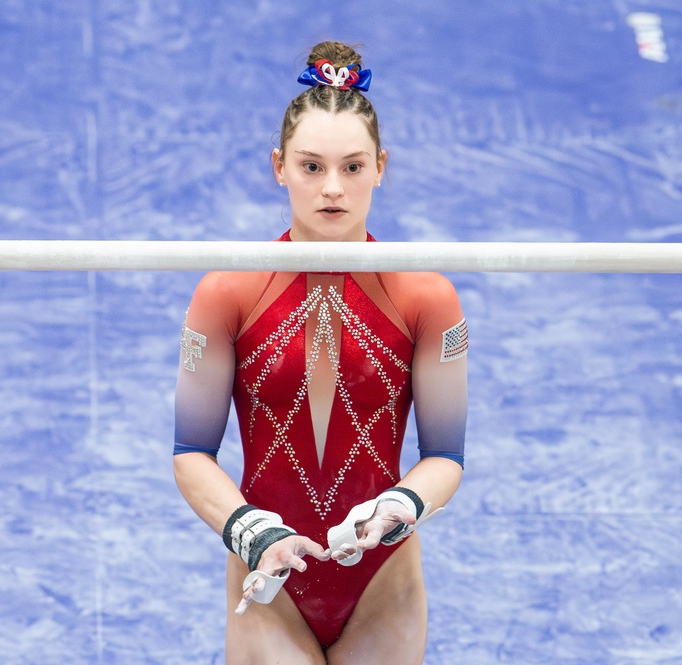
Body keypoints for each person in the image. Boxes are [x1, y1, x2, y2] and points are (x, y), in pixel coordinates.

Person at [173, 41, 468, 665]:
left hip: (382, 578)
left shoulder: (427, 298)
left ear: (382, 166)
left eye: (353, 167)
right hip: (269, 573)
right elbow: (191, 454)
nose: (332, 188)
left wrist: (401, 504)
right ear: (278, 166)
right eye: (311, 167)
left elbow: (445, 456)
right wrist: (252, 532)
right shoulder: (226, 293)